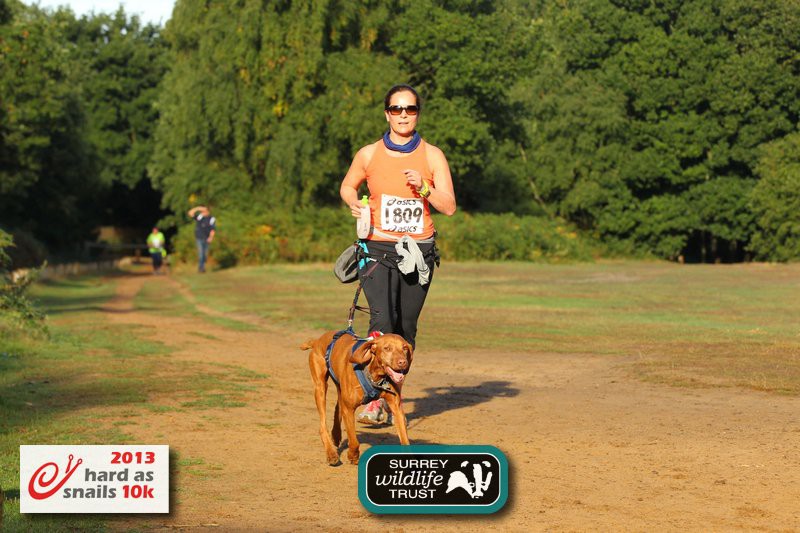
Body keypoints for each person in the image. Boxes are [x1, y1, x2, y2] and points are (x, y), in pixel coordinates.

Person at [339, 84, 456, 424]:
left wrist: (424, 186)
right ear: (386, 113)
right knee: (380, 321)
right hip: (375, 248)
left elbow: (448, 206)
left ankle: (394, 392)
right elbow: (348, 186)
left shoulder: (432, 156)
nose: (403, 115)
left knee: (404, 329)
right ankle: (373, 400)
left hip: (418, 252)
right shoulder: (368, 154)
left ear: (418, 113)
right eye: (396, 109)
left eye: (410, 109)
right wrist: (355, 204)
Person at [187, 205, 216, 273]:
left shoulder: (211, 219)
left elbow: (212, 229)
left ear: (208, 211)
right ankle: (201, 268)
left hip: (207, 238)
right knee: (201, 254)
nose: (202, 212)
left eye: (204, 211)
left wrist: (211, 237)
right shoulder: (200, 217)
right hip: (199, 238)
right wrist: (197, 208)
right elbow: (190, 213)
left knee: (205, 255)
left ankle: (202, 267)